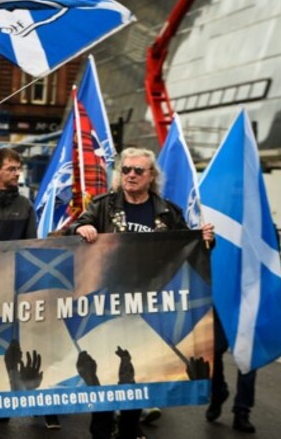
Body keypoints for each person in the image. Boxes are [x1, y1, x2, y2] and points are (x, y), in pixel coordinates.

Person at [67, 147, 215, 439]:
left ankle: (130, 428)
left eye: (138, 171)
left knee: (139, 373)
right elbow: (76, 224)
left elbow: (187, 248)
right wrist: (82, 227)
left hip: (150, 304)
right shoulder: (103, 205)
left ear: (151, 177)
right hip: (108, 303)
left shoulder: (167, 211)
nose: (131, 175)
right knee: (107, 371)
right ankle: (100, 429)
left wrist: (205, 240)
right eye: (126, 170)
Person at [0, 148, 62, 429]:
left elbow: (30, 245)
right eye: (11, 168)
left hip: (16, 285)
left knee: (23, 344)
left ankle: (39, 402)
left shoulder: (25, 205)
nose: (17, 173)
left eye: (18, 168)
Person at [207, 314, 257, 433]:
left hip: (247, 305)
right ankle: (218, 392)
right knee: (212, 352)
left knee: (247, 358)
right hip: (220, 303)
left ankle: (242, 411)